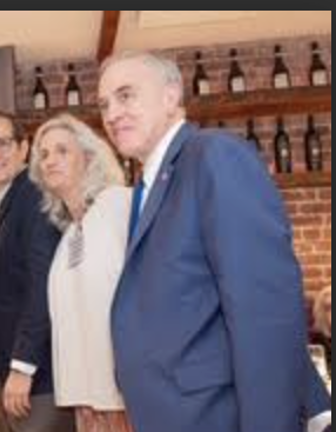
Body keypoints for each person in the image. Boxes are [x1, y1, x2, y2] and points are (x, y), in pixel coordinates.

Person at [97, 50, 331, 432]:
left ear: (171, 96)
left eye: (126, 95)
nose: (112, 114)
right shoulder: (148, 186)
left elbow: (264, 308)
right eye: (104, 104)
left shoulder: (212, 155)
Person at [29, 113, 134, 432]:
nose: (50, 160)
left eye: (62, 150)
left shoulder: (118, 204)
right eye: (44, 154)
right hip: (86, 403)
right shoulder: (70, 235)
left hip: (126, 397)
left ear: (88, 157)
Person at [0, 111, 74, 432]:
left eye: (1, 143)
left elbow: (43, 285)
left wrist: (22, 367)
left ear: (23, 148)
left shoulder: (33, 196)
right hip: (11, 381)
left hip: (38, 383)